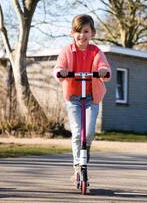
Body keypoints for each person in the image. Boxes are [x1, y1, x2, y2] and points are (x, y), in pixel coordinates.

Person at [53, 14, 111, 184]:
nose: (82, 35)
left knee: (90, 132)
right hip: (74, 98)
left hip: (92, 97)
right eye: (78, 31)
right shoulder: (67, 51)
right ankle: (77, 165)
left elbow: (105, 67)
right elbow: (59, 67)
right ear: (72, 33)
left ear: (92, 33)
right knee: (78, 132)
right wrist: (61, 72)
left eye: (86, 31)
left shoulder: (96, 51)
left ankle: (85, 152)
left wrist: (102, 71)